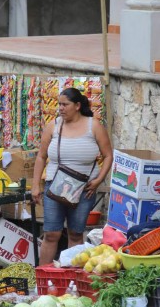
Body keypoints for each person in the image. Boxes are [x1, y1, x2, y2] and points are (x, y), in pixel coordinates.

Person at [32, 87, 113, 265]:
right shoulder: (53, 125)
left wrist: (98, 180)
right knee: (52, 233)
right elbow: (41, 156)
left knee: (76, 233)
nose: (60, 108)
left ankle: (70, 276)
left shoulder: (94, 126)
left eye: (65, 104)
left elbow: (108, 156)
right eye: (59, 104)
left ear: (77, 105)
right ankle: (43, 276)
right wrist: (36, 185)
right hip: (55, 186)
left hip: (85, 188)